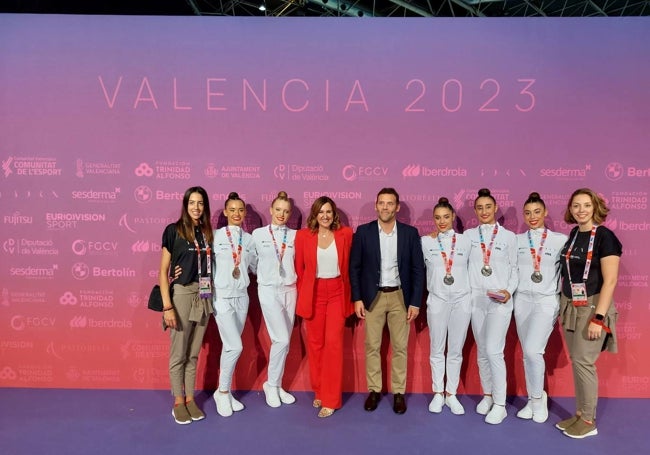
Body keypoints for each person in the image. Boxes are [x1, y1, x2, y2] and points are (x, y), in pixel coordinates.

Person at [350, 187, 425, 415]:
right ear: (375, 205)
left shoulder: (410, 233)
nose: (385, 207)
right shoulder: (363, 232)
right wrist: (357, 298)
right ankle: (374, 390)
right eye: (381, 203)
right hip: (373, 297)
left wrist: (414, 302)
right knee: (372, 346)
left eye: (390, 203)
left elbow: (417, 270)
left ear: (397, 207)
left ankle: (399, 393)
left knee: (400, 348)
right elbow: (354, 268)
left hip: (400, 297)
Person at [556, 188, 621, 439]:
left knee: (584, 362)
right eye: (576, 206)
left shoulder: (605, 237)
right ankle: (580, 413)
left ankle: (589, 421)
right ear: (570, 209)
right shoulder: (573, 234)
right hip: (571, 304)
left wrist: (599, 318)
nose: (581, 210)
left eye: (586, 205)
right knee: (578, 361)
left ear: (595, 208)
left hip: (593, 306)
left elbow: (611, 280)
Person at [159, 186, 214, 425]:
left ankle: (191, 399)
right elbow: (163, 272)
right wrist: (167, 307)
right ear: (185, 204)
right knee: (178, 352)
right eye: (192, 202)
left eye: (200, 203)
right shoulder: (173, 231)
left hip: (203, 294)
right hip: (181, 294)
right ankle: (178, 402)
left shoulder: (208, 232)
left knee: (192, 354)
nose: (196, 207)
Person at [295, 196, 353, 418]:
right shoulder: (303, 236)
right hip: (315, 294)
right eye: (321, 212)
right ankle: (319, 389)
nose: (325, 216)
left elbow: (350, 266)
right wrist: (307, 293)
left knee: (334, 345)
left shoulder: (345, 234)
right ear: (315, 215)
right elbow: (300, 270)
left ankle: (331, 399)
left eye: (329, 212)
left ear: (334, 213)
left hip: (338, 293)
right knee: (316, 345)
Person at [514, 192, 568, 423]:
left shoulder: (560, 240)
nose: (532, 216)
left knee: (533, 350)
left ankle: (538, 397)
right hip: (522, 300)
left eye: (537, 212)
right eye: (527, 213)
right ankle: (532, 399)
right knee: (528, 353)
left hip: (546, 300)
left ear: (545, 212)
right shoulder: (517, 241)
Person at [466, 188, 518, 425]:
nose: (484, 211)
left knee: (494, 351)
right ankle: (488, 395)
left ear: (496, 208)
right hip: (476, 300)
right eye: (480, 207)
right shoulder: (467, 236)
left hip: (500, 300)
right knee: (482, 351)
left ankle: (500, 404)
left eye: (488, 207)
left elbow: (516, 268)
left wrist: (509, 291)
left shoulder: (509, 237)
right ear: (475, 210)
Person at [422, 197, 472, 415]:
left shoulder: (466, 241)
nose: (441, 222)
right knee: (436, 348)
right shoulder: (426, 242)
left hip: (462, 300)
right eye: (437, 218)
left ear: (453, 217)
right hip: (437, 299)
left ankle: (451, 394)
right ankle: (437, 393)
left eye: (446, 217)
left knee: (455, 350)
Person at [212, 192, 257, 417]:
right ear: (225, 212)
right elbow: (204, 267)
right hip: (221, 297)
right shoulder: (214, 237)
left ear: (245, 213)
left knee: (229, 347)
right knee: (236, 346)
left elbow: (259, 267)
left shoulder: (249, 240)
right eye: (232, 209)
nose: (236, 213)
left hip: (242, 297)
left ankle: (227, 392)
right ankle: (221, 392)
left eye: (240, 210)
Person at [252, 191, 298, 408]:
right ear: (271, 210)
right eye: (278, 209)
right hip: (269, 290)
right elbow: (250, 262)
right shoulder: (258, 234)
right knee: (281, 339)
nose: (281, 214)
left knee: (285, 342)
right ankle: (270, 384)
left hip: (290, 289)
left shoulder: (295, 235)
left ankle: (278, 385)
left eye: (286, 211)